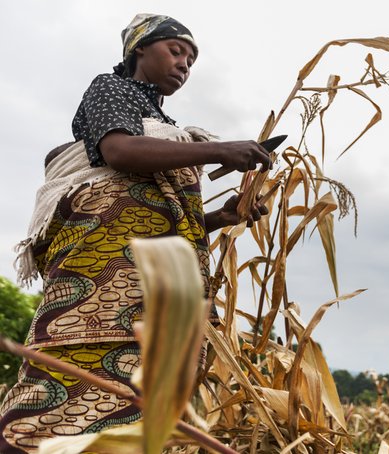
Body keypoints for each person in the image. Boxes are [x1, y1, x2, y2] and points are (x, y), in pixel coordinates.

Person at [1, 14, 272, 452]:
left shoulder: (161, 121)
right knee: (54, 387)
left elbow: (153, 222)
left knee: (131, 399)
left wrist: (222, 216)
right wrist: (222, 148)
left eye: (191, 59)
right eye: (176, 50)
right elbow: (119, 151)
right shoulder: (111, 89)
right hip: (97, 280)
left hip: (145, 286)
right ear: (139, 49)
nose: (184, 64)